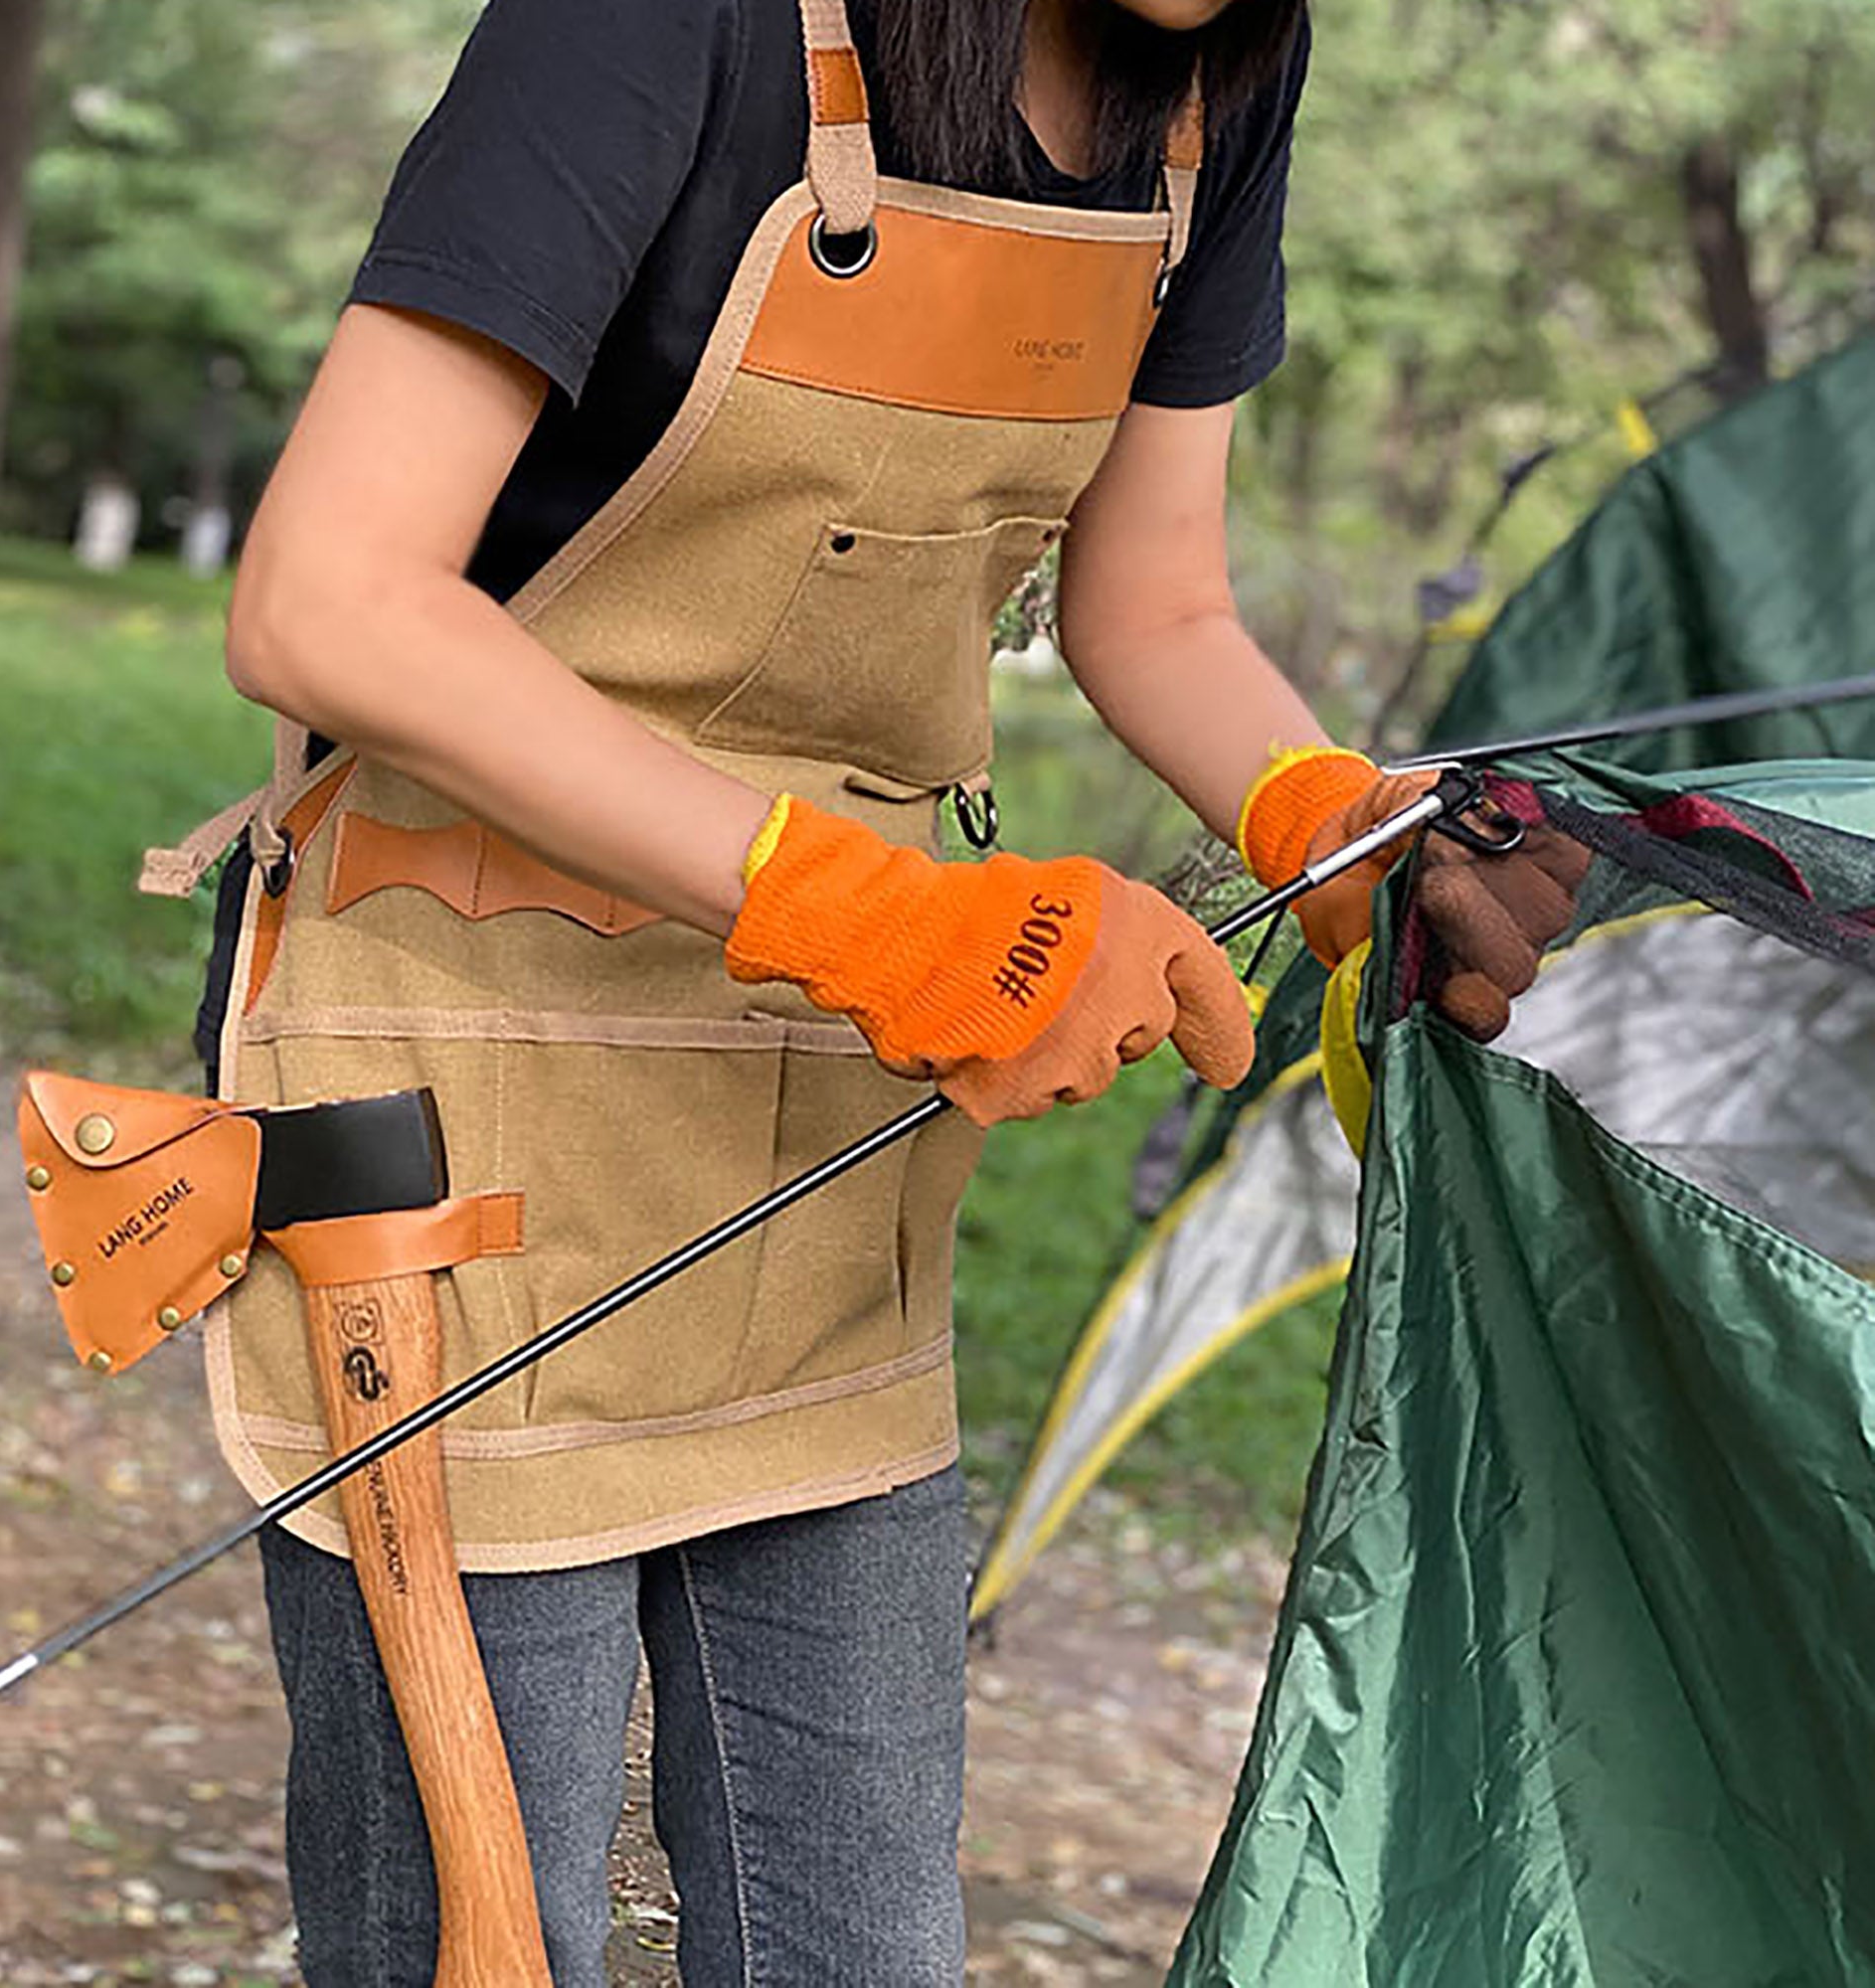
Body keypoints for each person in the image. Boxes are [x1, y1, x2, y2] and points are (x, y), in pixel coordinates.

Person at [165, 0, 1573, 1980]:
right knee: (492, 1943)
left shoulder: (1211, 94)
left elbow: (1150, 594)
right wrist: (871, 911)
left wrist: (1320, 817)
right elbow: (326, 590)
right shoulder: (668, 23)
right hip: (447, 1112)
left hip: (819, 1155)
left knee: (861, 1937)